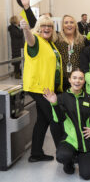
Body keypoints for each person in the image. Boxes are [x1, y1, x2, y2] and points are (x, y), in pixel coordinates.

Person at [20, 15, 63, 162]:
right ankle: (64, 154)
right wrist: (26, 30)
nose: (47, 28)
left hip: (47, 88)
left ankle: (36, 154)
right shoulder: (36, 40)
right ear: (38, 28)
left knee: (42, 121)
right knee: (55, 119)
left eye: (50, 26)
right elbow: (30, 40)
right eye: (43, 26)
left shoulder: (49, 43)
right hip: (39, 88)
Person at [43, 68, 90, 180]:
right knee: (63, 155)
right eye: (75, 78)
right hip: (70, 140)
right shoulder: (61, 98)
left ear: (84, 81)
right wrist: (55, 104)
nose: (77, 81)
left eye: (81, 78)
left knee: (87, 175)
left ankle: (83, 157)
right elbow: (59, 119)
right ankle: (68, 162)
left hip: (86, 141)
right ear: (69, 80)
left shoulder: (89, 99)